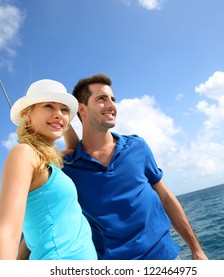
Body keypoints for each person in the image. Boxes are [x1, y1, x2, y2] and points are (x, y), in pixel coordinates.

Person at [18, 74, 208, 260]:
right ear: (81, 110)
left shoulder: (137, 146)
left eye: (113, 99)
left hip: (164, 257)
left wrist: (196, 250)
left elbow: (166, 197)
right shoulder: (67, 167)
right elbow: (44, 216)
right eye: (102, 99)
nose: (111, 106)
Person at [0, 79, 97, 260]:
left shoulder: (47, 159)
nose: (58, 114)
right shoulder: (24, 154)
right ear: (27, 114)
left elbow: (74, 149)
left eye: (64, 109)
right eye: (48, 106)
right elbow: (7, 232)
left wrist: (60, 120)